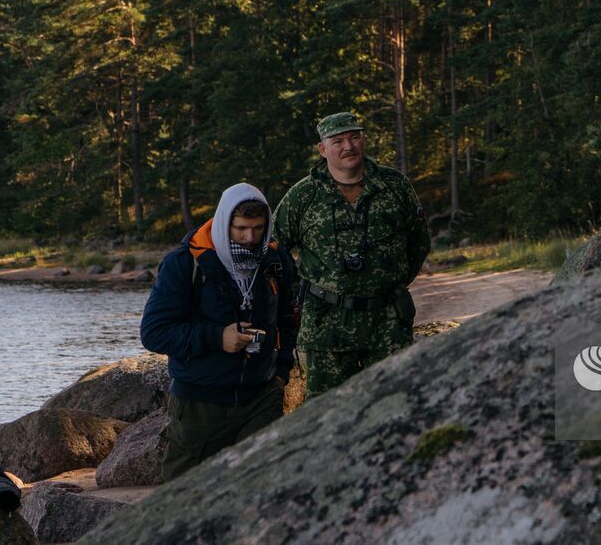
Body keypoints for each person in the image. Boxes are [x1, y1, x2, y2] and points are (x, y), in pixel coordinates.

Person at [140, 183, 297, 480]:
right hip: (199, 402)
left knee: (261, 490)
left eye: (258, 228)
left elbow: (289, 319)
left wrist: (281, 375)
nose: (250, 238)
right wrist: (216, 338)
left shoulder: (276, 260)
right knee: (183, 499)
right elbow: (154, 333)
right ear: (225, 223)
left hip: (261, 397)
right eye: (240, 229)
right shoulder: (185, 263)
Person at [273, 111, 430, 400]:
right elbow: (274, 251)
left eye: (354, 137)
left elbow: (419, 241)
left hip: (387, 322)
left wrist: (390, 281)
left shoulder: (394, 185)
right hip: (326, 324)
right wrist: (300, 293)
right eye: (338, 141)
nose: (349, 146)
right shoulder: (302, 196)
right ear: (323, 149)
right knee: (326, 411)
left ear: (364, 140)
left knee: (394, 402)